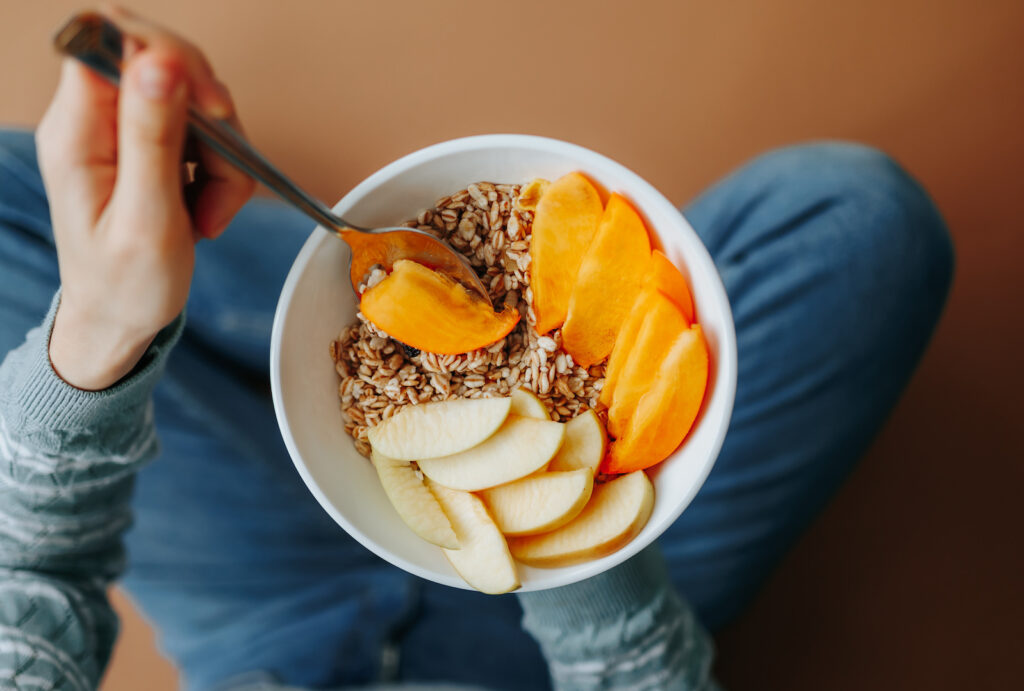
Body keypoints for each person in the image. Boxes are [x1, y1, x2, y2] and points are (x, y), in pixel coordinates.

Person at [0, 10, 953, 691]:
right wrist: (570, 539)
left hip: (263, 612)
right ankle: (269, 307)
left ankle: (284, 294)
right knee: (864, 223)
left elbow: (30, 591)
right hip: (571, 626)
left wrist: (101, 332)